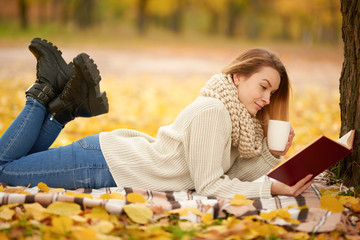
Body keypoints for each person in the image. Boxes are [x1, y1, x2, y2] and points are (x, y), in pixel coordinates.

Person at [0, 38, 313, 199]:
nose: (266, 98)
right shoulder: (214, 112)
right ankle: (43, 92)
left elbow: (232, 173)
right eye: (263, 86)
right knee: (3, 171)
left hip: (108, 162)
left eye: (272, 93)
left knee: (17, 165)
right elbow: (209, 185)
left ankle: (64, 109)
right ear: (237, 78)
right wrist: (270, 189)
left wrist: (271, 156)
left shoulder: (237, 120)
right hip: (104, 165)